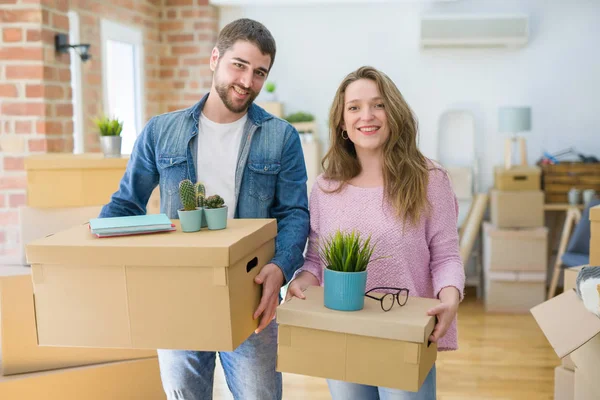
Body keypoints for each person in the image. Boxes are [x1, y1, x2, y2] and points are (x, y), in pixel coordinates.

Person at [99, 18, 310, 400]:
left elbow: (295, 214)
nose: (247, 81)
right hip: (177, 293)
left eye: (259, 72)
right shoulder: (161, 131)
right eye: (239, 65)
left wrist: (280, 269)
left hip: (250, 296)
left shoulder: (282, 137)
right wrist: (91, 245)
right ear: (215, 58)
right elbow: (126, 203)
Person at [285, 66, 465, 400]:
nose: (366, 116)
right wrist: (301, 282)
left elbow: (446, 256)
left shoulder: (430, 179)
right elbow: (316, 261)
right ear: (341, 122)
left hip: (404, 335)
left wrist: (451, 297)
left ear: (394, 112)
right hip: (341, 333)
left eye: (378, 104)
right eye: (354, 107)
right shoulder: (326, 187)